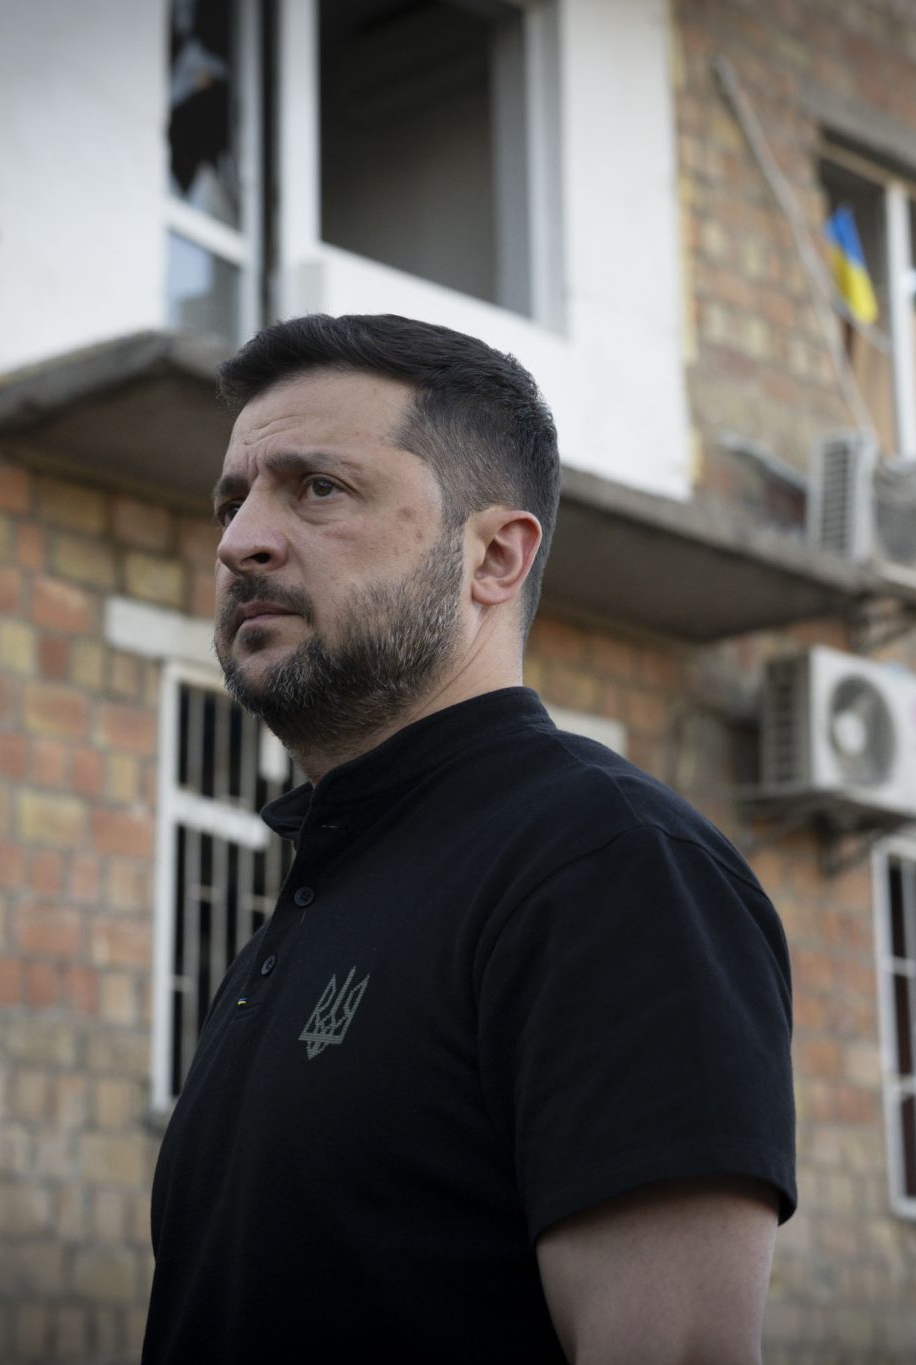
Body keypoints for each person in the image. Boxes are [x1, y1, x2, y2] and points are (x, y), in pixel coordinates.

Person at [140, 314, 797, 1362]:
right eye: (232, 501)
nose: (239, 541)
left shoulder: (608, 867)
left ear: (493, 555)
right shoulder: (307, 910)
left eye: (318, 488)